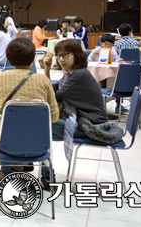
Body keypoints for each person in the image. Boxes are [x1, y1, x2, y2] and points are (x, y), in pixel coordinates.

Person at [0, 38, 58, 187]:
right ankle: (39, 174)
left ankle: (5, 173)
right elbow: (54, 116)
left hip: (7, 144)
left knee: (5, 128)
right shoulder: (44, 81)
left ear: (8, 57)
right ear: (33, 58)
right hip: (39, 145)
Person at [42, 39, 108, 186]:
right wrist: (47, 68)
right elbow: (51, 90)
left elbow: (54, 97)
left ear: (77, 55)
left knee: (40, 126)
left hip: (91, 125)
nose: (61, 59)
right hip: (80, 121)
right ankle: (41, 172)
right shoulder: (70, 75)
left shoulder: (79, 75)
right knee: (40, 131)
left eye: (66, 55)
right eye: (58, 55)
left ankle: (40, 172)